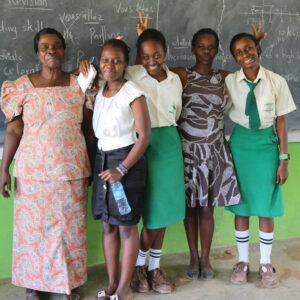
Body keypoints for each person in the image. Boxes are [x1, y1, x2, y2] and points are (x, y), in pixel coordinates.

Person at [0, 28, 95, 300]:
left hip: (71, 171)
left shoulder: (80, 84)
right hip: (32, 174)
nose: (51, 51)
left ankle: (68, 285)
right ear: (38, 53)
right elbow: (14, 131)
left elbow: (89, 130)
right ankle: (34, 286)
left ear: (64, 50)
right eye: (45, 47)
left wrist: (89, 164)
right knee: (34, 233)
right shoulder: (20, 87)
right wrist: (3, 168)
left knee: (69, 232)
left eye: (56, 46)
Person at [79, 38, 151, 300]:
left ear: (126, 64)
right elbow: (80, 79)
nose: (110, 65)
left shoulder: (132, 92)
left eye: (117, 60)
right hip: (102, 160)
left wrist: (122, 169)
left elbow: (144, 137)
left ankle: (124, 288)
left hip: (126, 163)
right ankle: (111, 284)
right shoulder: (97, 89)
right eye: (105, 60)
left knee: (126, 227)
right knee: (108, 225)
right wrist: (84, 68)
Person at [225, 32, 296, 288]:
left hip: (266, 147)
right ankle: (242, 262)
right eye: (239, 52)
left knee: (266, 206)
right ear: (234, 57)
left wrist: (284, 159)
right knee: (242, 206)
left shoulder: (276, 81)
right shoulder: (229, 81)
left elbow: (281, 121)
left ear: (258, 49)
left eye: (250, 49)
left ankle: (266, 263)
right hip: (240, 146)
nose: (246, 55)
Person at [172, 28, 242, 280]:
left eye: (211, 47)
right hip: (188, 150)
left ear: (217, 50)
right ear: (192, 48)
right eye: (201, 46)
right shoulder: (182, 75)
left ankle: (205, 257)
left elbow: (252, 77)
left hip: (214, 151)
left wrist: (258, 46)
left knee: (207, 209)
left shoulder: (225, 77)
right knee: (190, 207)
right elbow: (148, 74)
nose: (206, 52)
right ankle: (192, 256)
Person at [126, 20, 185, 294]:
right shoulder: (132, 74)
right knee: (151, 212)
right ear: (139, 56)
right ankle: (139, 267)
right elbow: (102, 78)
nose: (152, 61)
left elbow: (177, 114)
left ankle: (154, 268)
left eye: (157, 55)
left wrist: (144, 39)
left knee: (165, 210)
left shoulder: (175, 79)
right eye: (146, 56)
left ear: (166, 52)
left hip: (170, 144)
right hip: (143, 145)